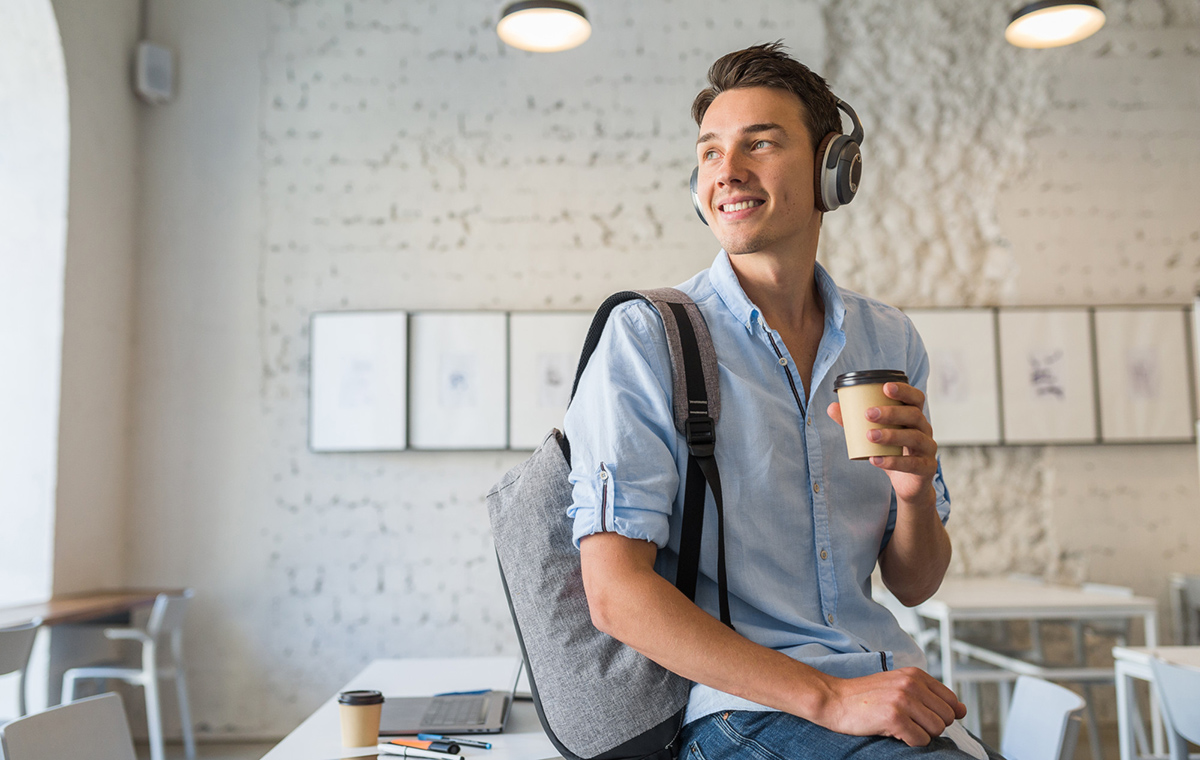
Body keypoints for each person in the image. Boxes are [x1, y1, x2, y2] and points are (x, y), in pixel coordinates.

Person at [564, 42, 997, 758]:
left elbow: (914, 584)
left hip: (884, 687)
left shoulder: (886, 339)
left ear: (836, 169)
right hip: (743, 710)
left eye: (759, 144)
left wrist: (915, 494)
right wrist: (828, 696)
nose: (726, 172)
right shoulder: (647, 337)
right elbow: (613, 593)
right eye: (709, 153)